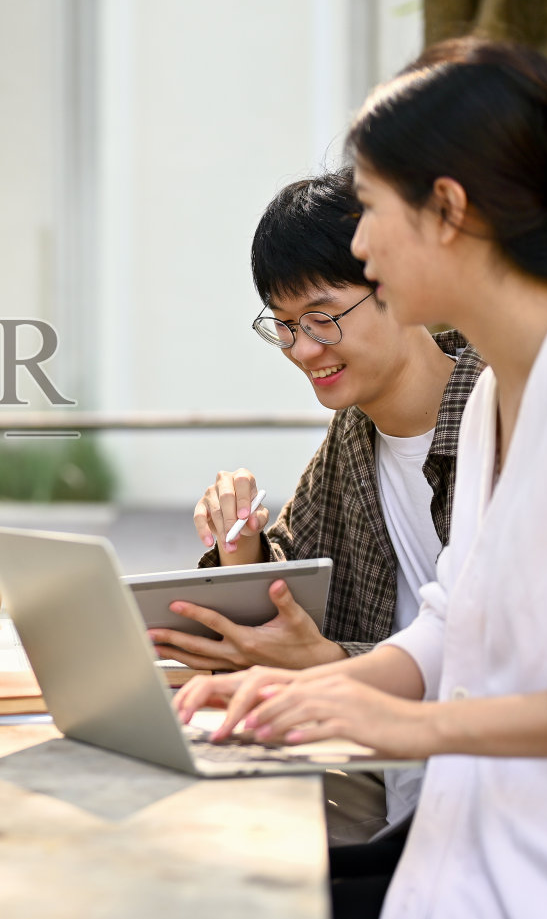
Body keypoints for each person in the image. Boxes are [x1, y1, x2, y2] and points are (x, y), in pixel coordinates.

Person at [175, 38, 547, 919]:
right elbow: (452, 624)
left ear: (447, 211)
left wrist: (417, 727)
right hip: (483, 865)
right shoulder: (499, 386)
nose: (359, 241)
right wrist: (302, 691)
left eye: (373, 207)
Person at [148, 170, 483, 841]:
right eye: (285, 326)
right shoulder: (354, 436)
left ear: (397, 283)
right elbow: (289, 589)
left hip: (479, 784)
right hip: (383, 767)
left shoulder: (496, 413)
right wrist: (239, 544)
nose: (303, 349)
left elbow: (498, 654)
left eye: (323, 317)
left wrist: (330, 664)